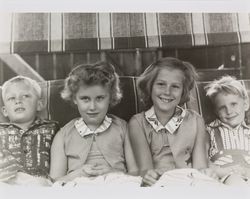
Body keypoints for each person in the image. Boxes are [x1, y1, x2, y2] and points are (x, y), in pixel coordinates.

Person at [128, 57, 217, 187]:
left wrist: (206, 175)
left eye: (175, 86)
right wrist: (149, 177)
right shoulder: (137, 123)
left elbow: (200, 167)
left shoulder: (196, 121)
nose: (167, 92)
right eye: (161, 84)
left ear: (183, 91)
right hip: (157, 186)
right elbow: (145, 170)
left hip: (189, 184)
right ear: (150, 86)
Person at [50, 61, 140, 186]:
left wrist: (113, 172)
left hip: (116, 186)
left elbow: (136, 174)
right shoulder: (63, 135)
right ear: (75, 99)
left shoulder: (123, 128)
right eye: (85, 99)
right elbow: (55, 181)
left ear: (111, 97)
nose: (92, 107)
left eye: (100, 98)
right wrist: (79, 173)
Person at [0, 76, 58, 185]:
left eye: (25, 96)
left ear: (39, 104)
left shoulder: (53, 128)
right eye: (11, 98)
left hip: (40, 184)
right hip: (7, 184)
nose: (18, 101)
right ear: (5, 111)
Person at [205, 76, 250, 185]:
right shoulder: (209, 131)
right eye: (222, 107)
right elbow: (202, 159)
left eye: (233, 104)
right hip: (225, 175)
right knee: (235, 181)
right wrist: (221, 171)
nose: (229, 111)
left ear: (245, 105)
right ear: (216, 111)